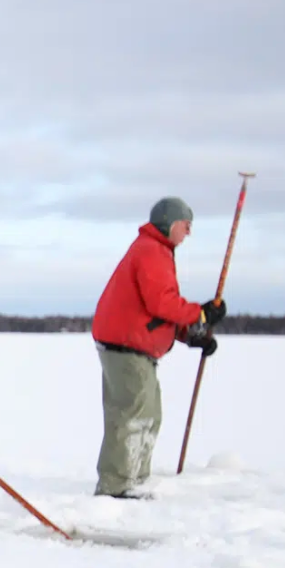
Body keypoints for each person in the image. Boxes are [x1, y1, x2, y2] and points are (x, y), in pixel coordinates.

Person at [90, 196, 226, 497]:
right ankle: (116, 486)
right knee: (132, 415)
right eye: (186, 226)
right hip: (125, 346)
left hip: (132, 344)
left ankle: (134, 479)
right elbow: (161, 302)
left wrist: (191, 334)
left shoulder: (157, 251)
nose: (189, 232)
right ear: (170, 223)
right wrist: (200, 314)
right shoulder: (152, 251)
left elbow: (151, 311)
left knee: (149, 415)